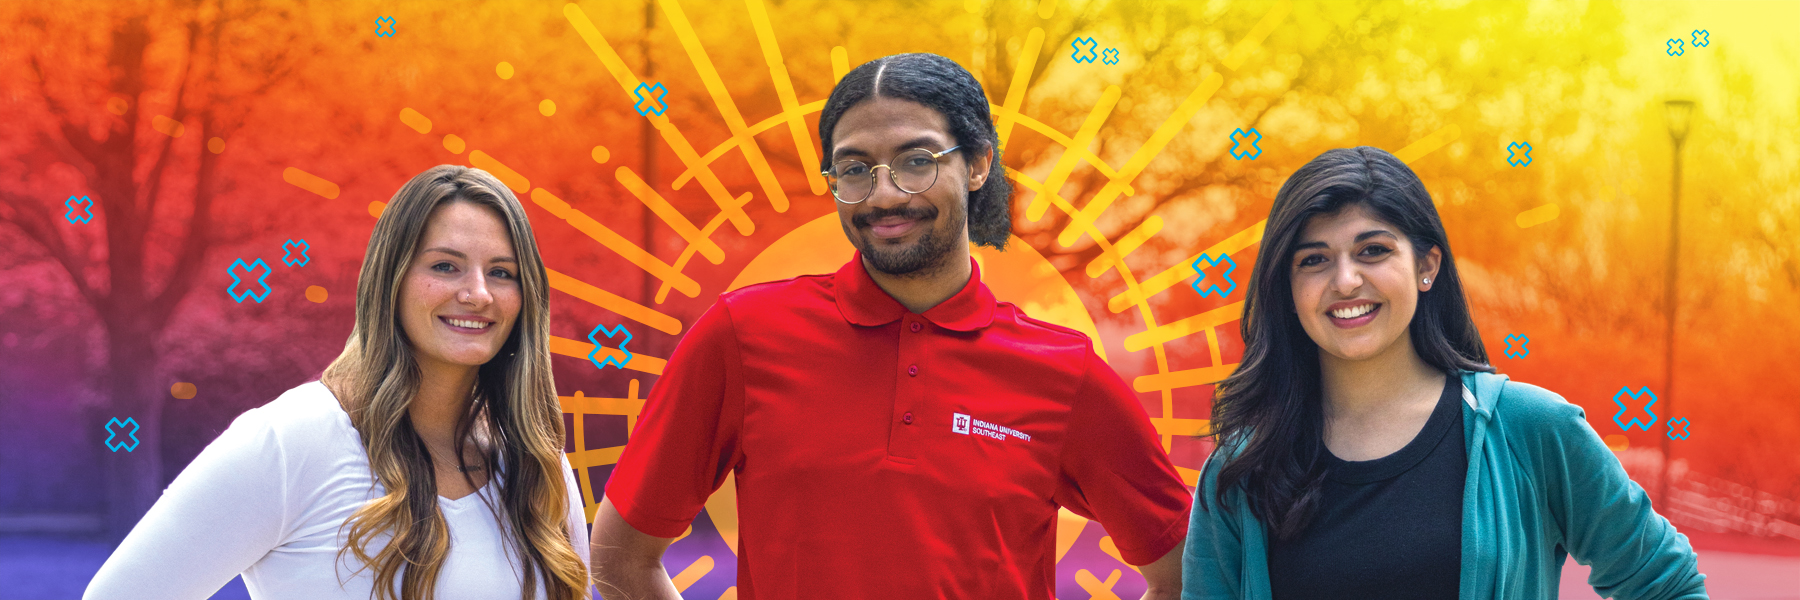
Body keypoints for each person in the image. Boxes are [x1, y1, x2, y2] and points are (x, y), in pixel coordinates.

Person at [589, 53, 1191, 600]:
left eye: (916, 162)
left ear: (979, 163)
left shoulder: (1064, 370)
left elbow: (1186, 574)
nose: (884, 195)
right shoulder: (741, 335)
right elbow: (619, 560)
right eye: (854, 169)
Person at [1180, 147, 1707, 599]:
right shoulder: (1242, 470)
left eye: (1373, 250)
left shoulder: (1529, 429)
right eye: (1313, 260)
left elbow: (1667, 585)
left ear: (1426, 266)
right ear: (1287, 288)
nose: (1345, 280)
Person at [85, 166, 591, 600]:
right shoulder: (291, 441)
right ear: (389, 280)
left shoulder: (535, 464)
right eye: (445, 266)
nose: (478, 293)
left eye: (502, 272)